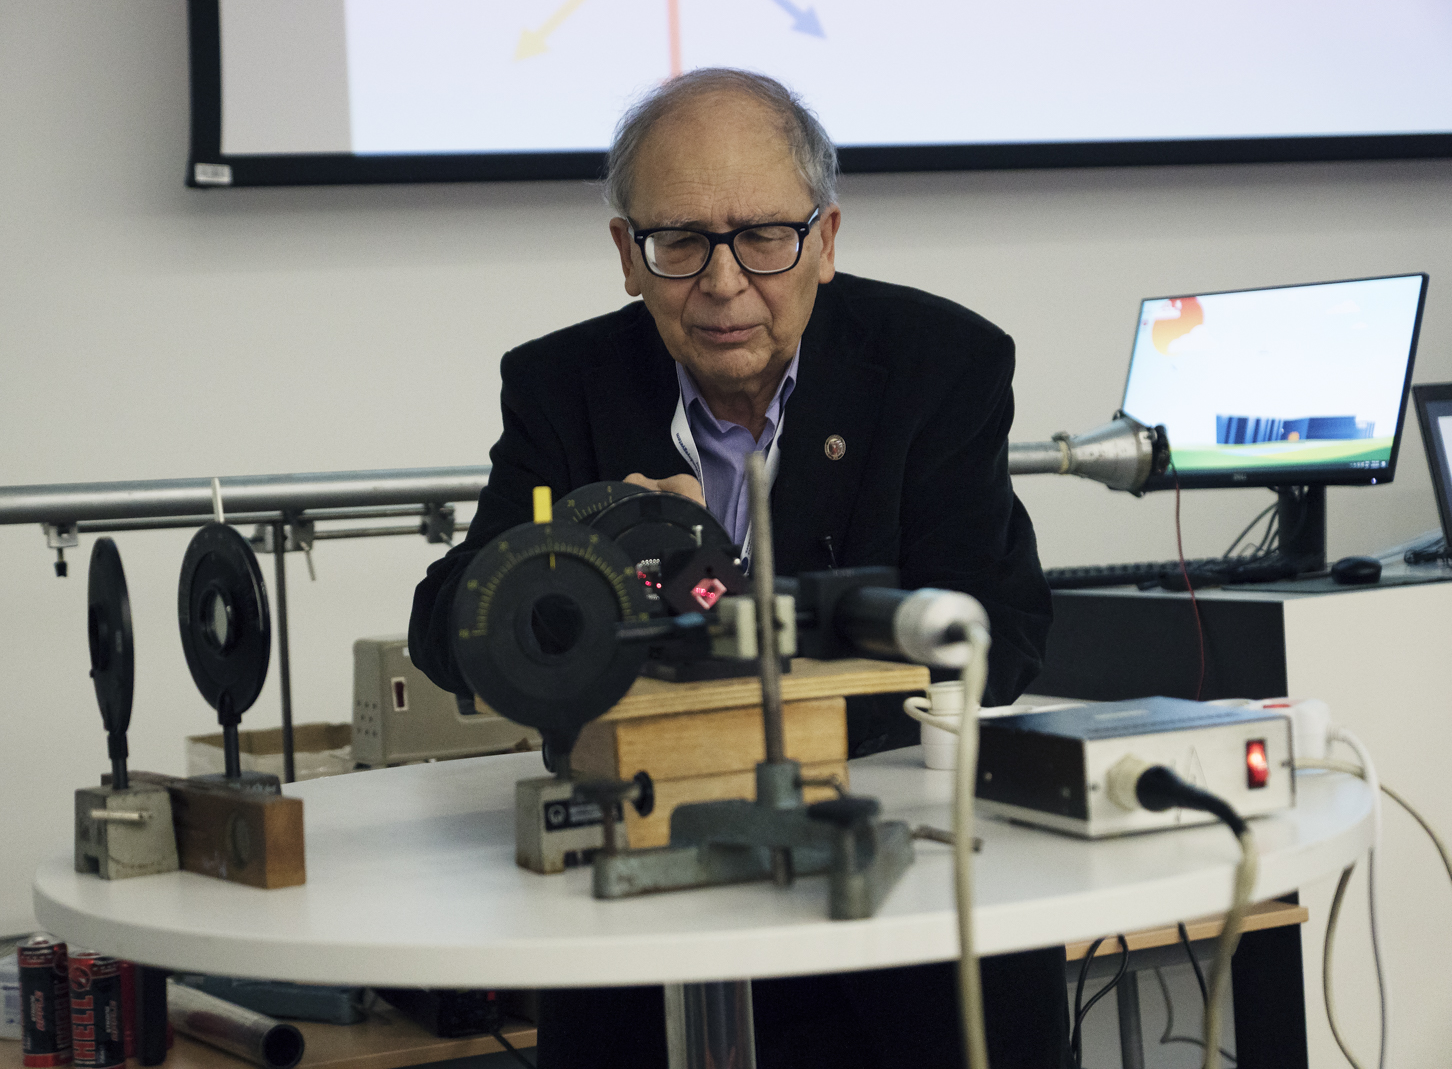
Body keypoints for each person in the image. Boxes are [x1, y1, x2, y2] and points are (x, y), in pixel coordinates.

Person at [409, 69, 1061, 1068]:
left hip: (903, 917)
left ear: (826, 240)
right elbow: (445, 629)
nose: (723, 283)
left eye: (763, 236)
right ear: (628, 255)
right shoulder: (562, 385)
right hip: (648, 926)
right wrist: (586, 561)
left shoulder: (940, 362)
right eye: (680, 243)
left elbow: (995, 636)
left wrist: (746, 644)